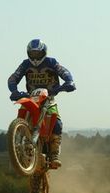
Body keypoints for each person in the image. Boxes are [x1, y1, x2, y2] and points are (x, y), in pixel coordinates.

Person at [8, 39, 76, 168]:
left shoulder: (51, 62)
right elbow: (13, 78)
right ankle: (17, 142)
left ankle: (54, 154)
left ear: (43, 52)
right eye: (32, 54)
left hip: (49, 97)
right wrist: (14, 91)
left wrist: (69, 82)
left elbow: (64, 71)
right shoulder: (25, 64)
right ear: (28, 53)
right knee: (22, 112)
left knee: (57, 123)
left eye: (37, 54)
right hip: (31, 97)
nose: (35, 57)